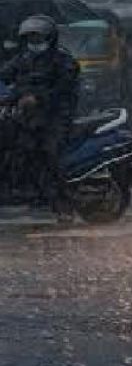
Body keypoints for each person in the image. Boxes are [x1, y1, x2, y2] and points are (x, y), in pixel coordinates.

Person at [0, 15, 80, 218]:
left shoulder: (63, 61)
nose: (34, 42)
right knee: (15, 149)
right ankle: (25, 192)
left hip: (55, 118)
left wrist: (37, 98)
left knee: (48, 154)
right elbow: (5, 75)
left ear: (50, 37)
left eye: (38, 37)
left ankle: (63, 204)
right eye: (30, 38)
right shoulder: (23, 59)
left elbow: (63, 89)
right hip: (26, 117)